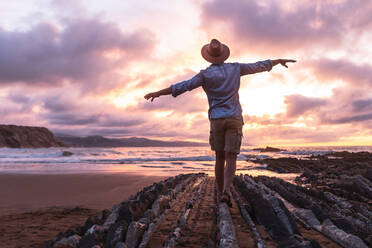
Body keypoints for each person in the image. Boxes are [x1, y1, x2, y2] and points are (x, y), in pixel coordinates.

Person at [144, 39, 296, 206]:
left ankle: (220, 193)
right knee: (231, 158)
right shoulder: (235, 68)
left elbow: (182, 86)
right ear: (223, 54)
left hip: (216, 119)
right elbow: (258, 66)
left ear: (208, 57)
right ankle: (226, 192)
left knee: (219, 157)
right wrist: (277, 61)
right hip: (234, 117)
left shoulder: (205, 74)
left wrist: (158, 93)